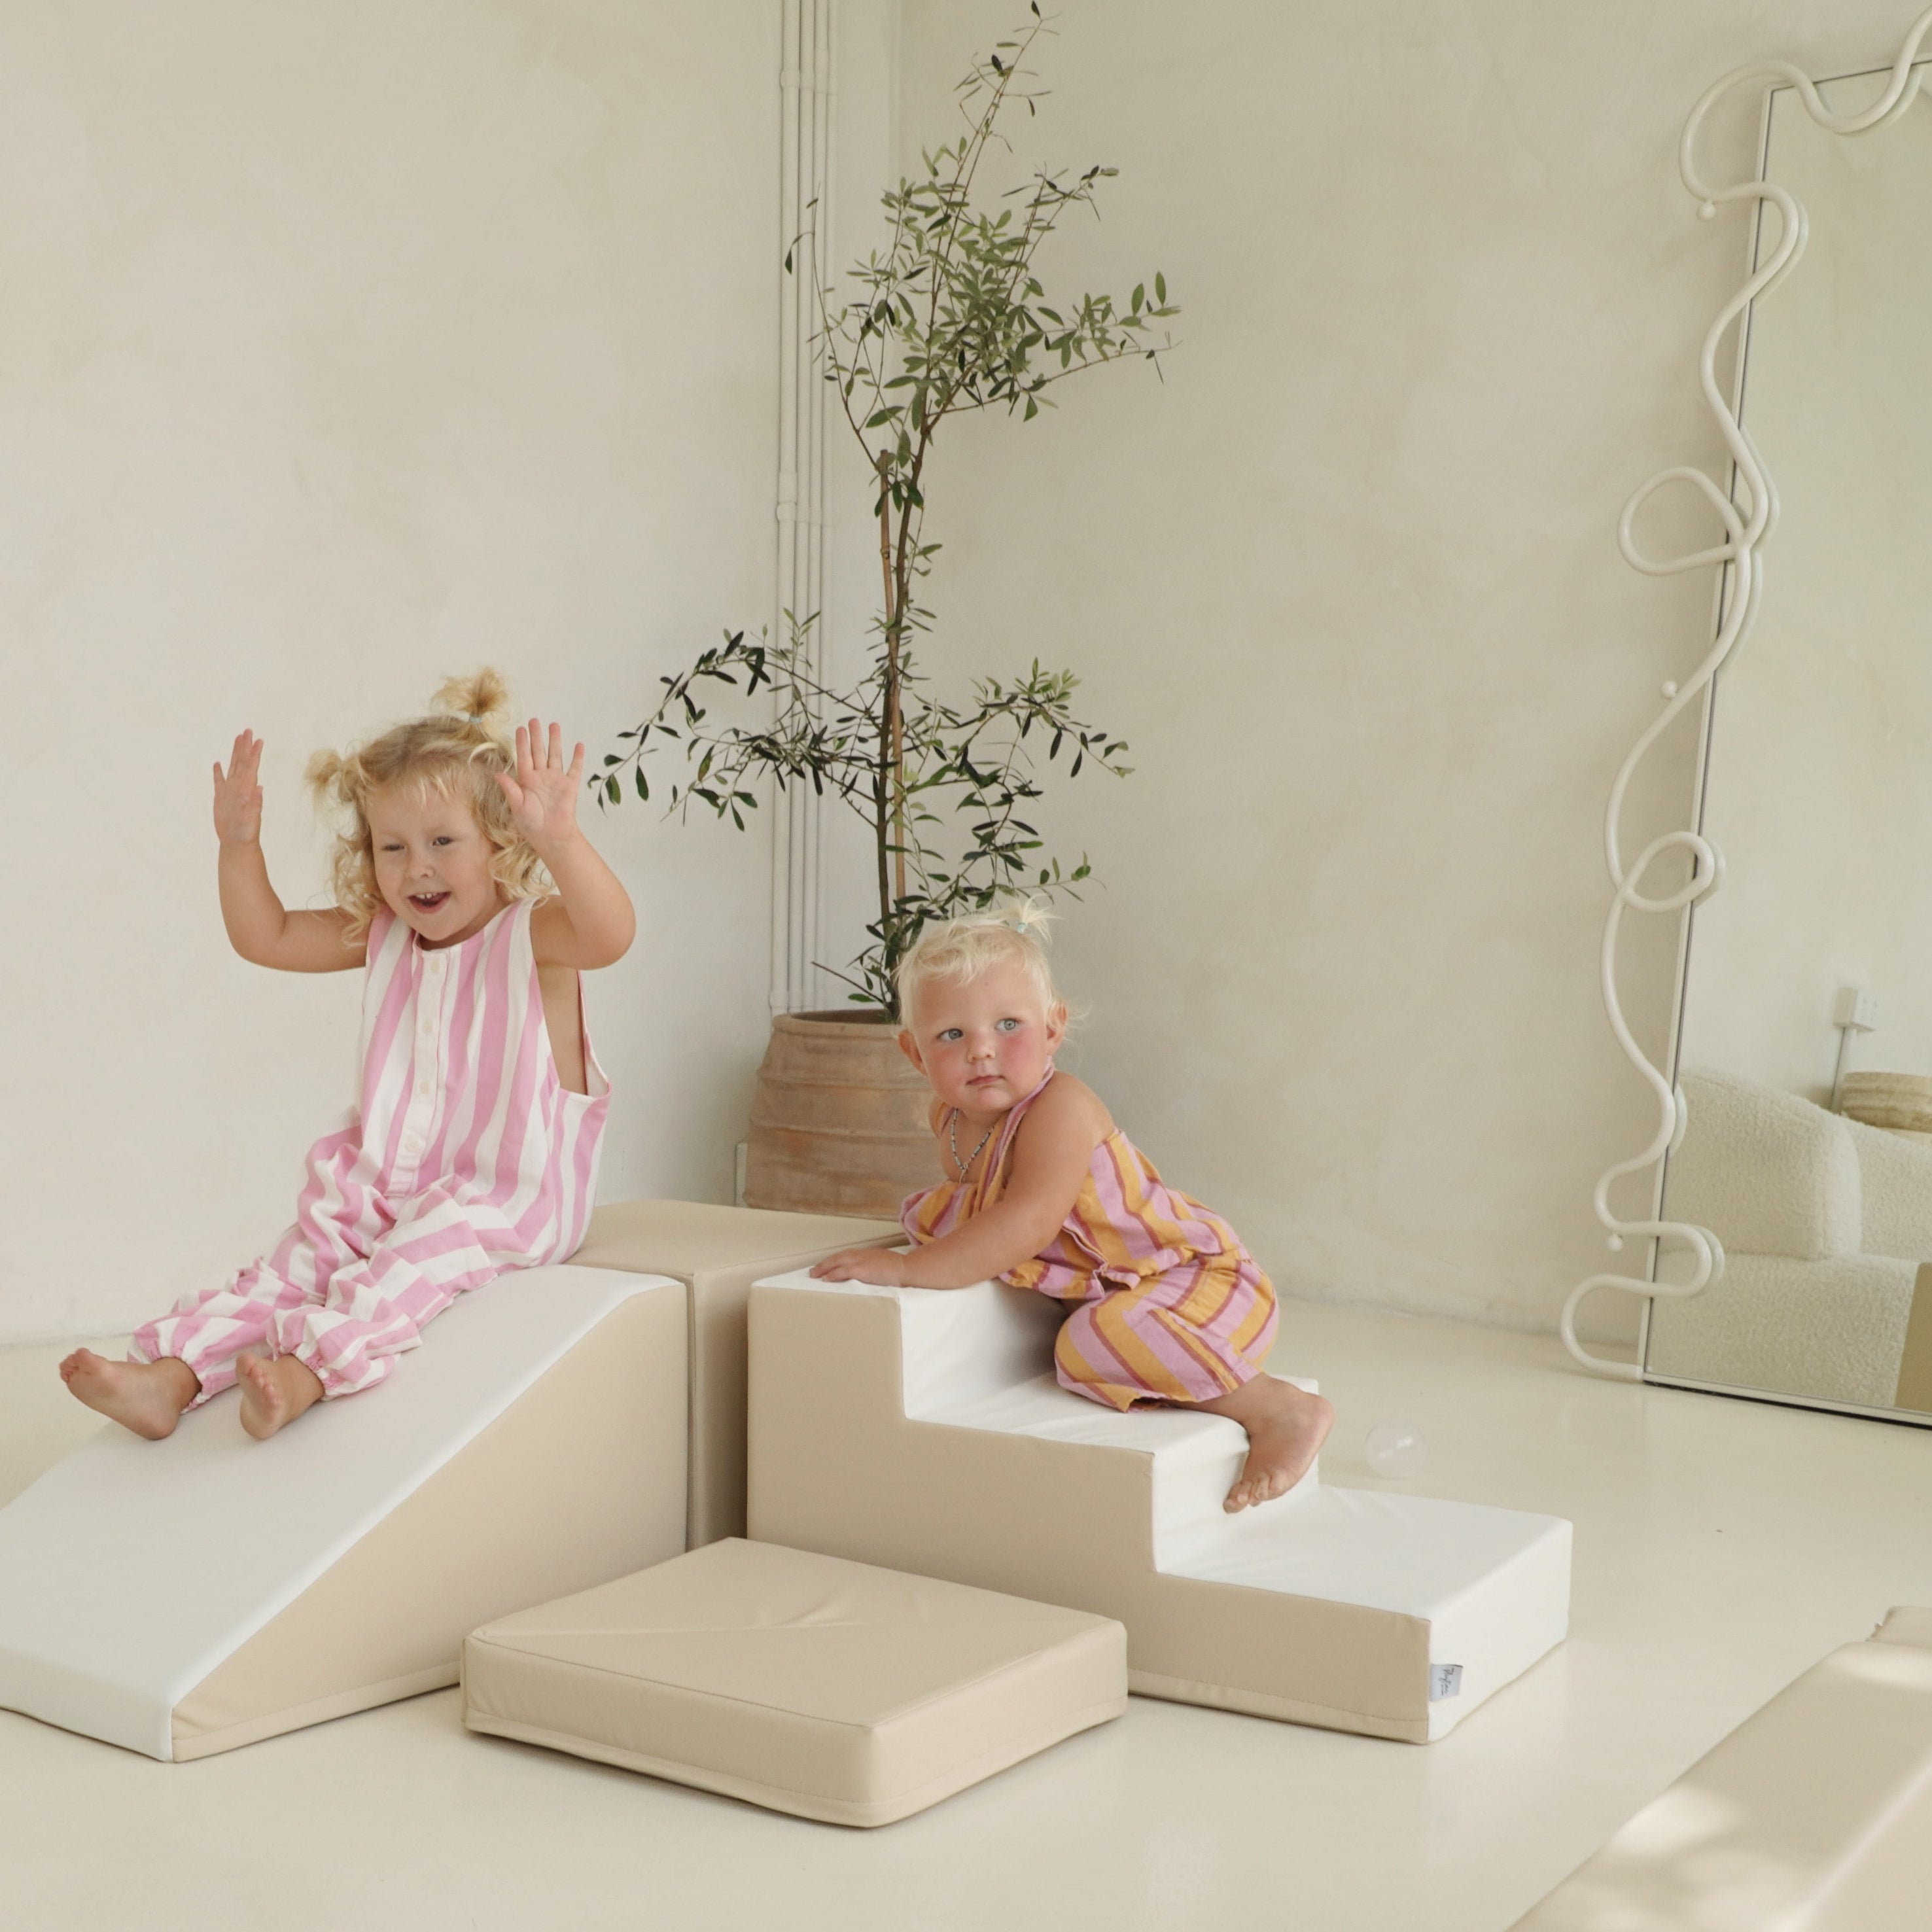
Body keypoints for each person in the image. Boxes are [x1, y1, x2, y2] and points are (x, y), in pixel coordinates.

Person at [60, 670, 634, 1442]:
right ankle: (169, 1378)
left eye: (442, 842)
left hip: (506, 1199)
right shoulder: (386, 933)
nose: (416, 866)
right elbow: (265, 936)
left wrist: (560, 840)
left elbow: (610, 935)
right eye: (392, 847)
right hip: (385, 1185)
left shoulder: (533, 936)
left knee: (405, 1266)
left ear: (502, 839)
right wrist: (239, 846)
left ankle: (304, 1375)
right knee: (298, 1263)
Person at [811, 904, 1331, 1511]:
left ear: (1053, 1028)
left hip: (1197, 1283)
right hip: (1125, 1292)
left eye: (1008, 1025)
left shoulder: (1060, 1108)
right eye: (952, 1035)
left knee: (1089, 1340)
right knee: (1083, 1329)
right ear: (913, 1052)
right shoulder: (947, 1115)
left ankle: (1278, 1408)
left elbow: (1027, 1221)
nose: (981, 1050)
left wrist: (907, 1270)